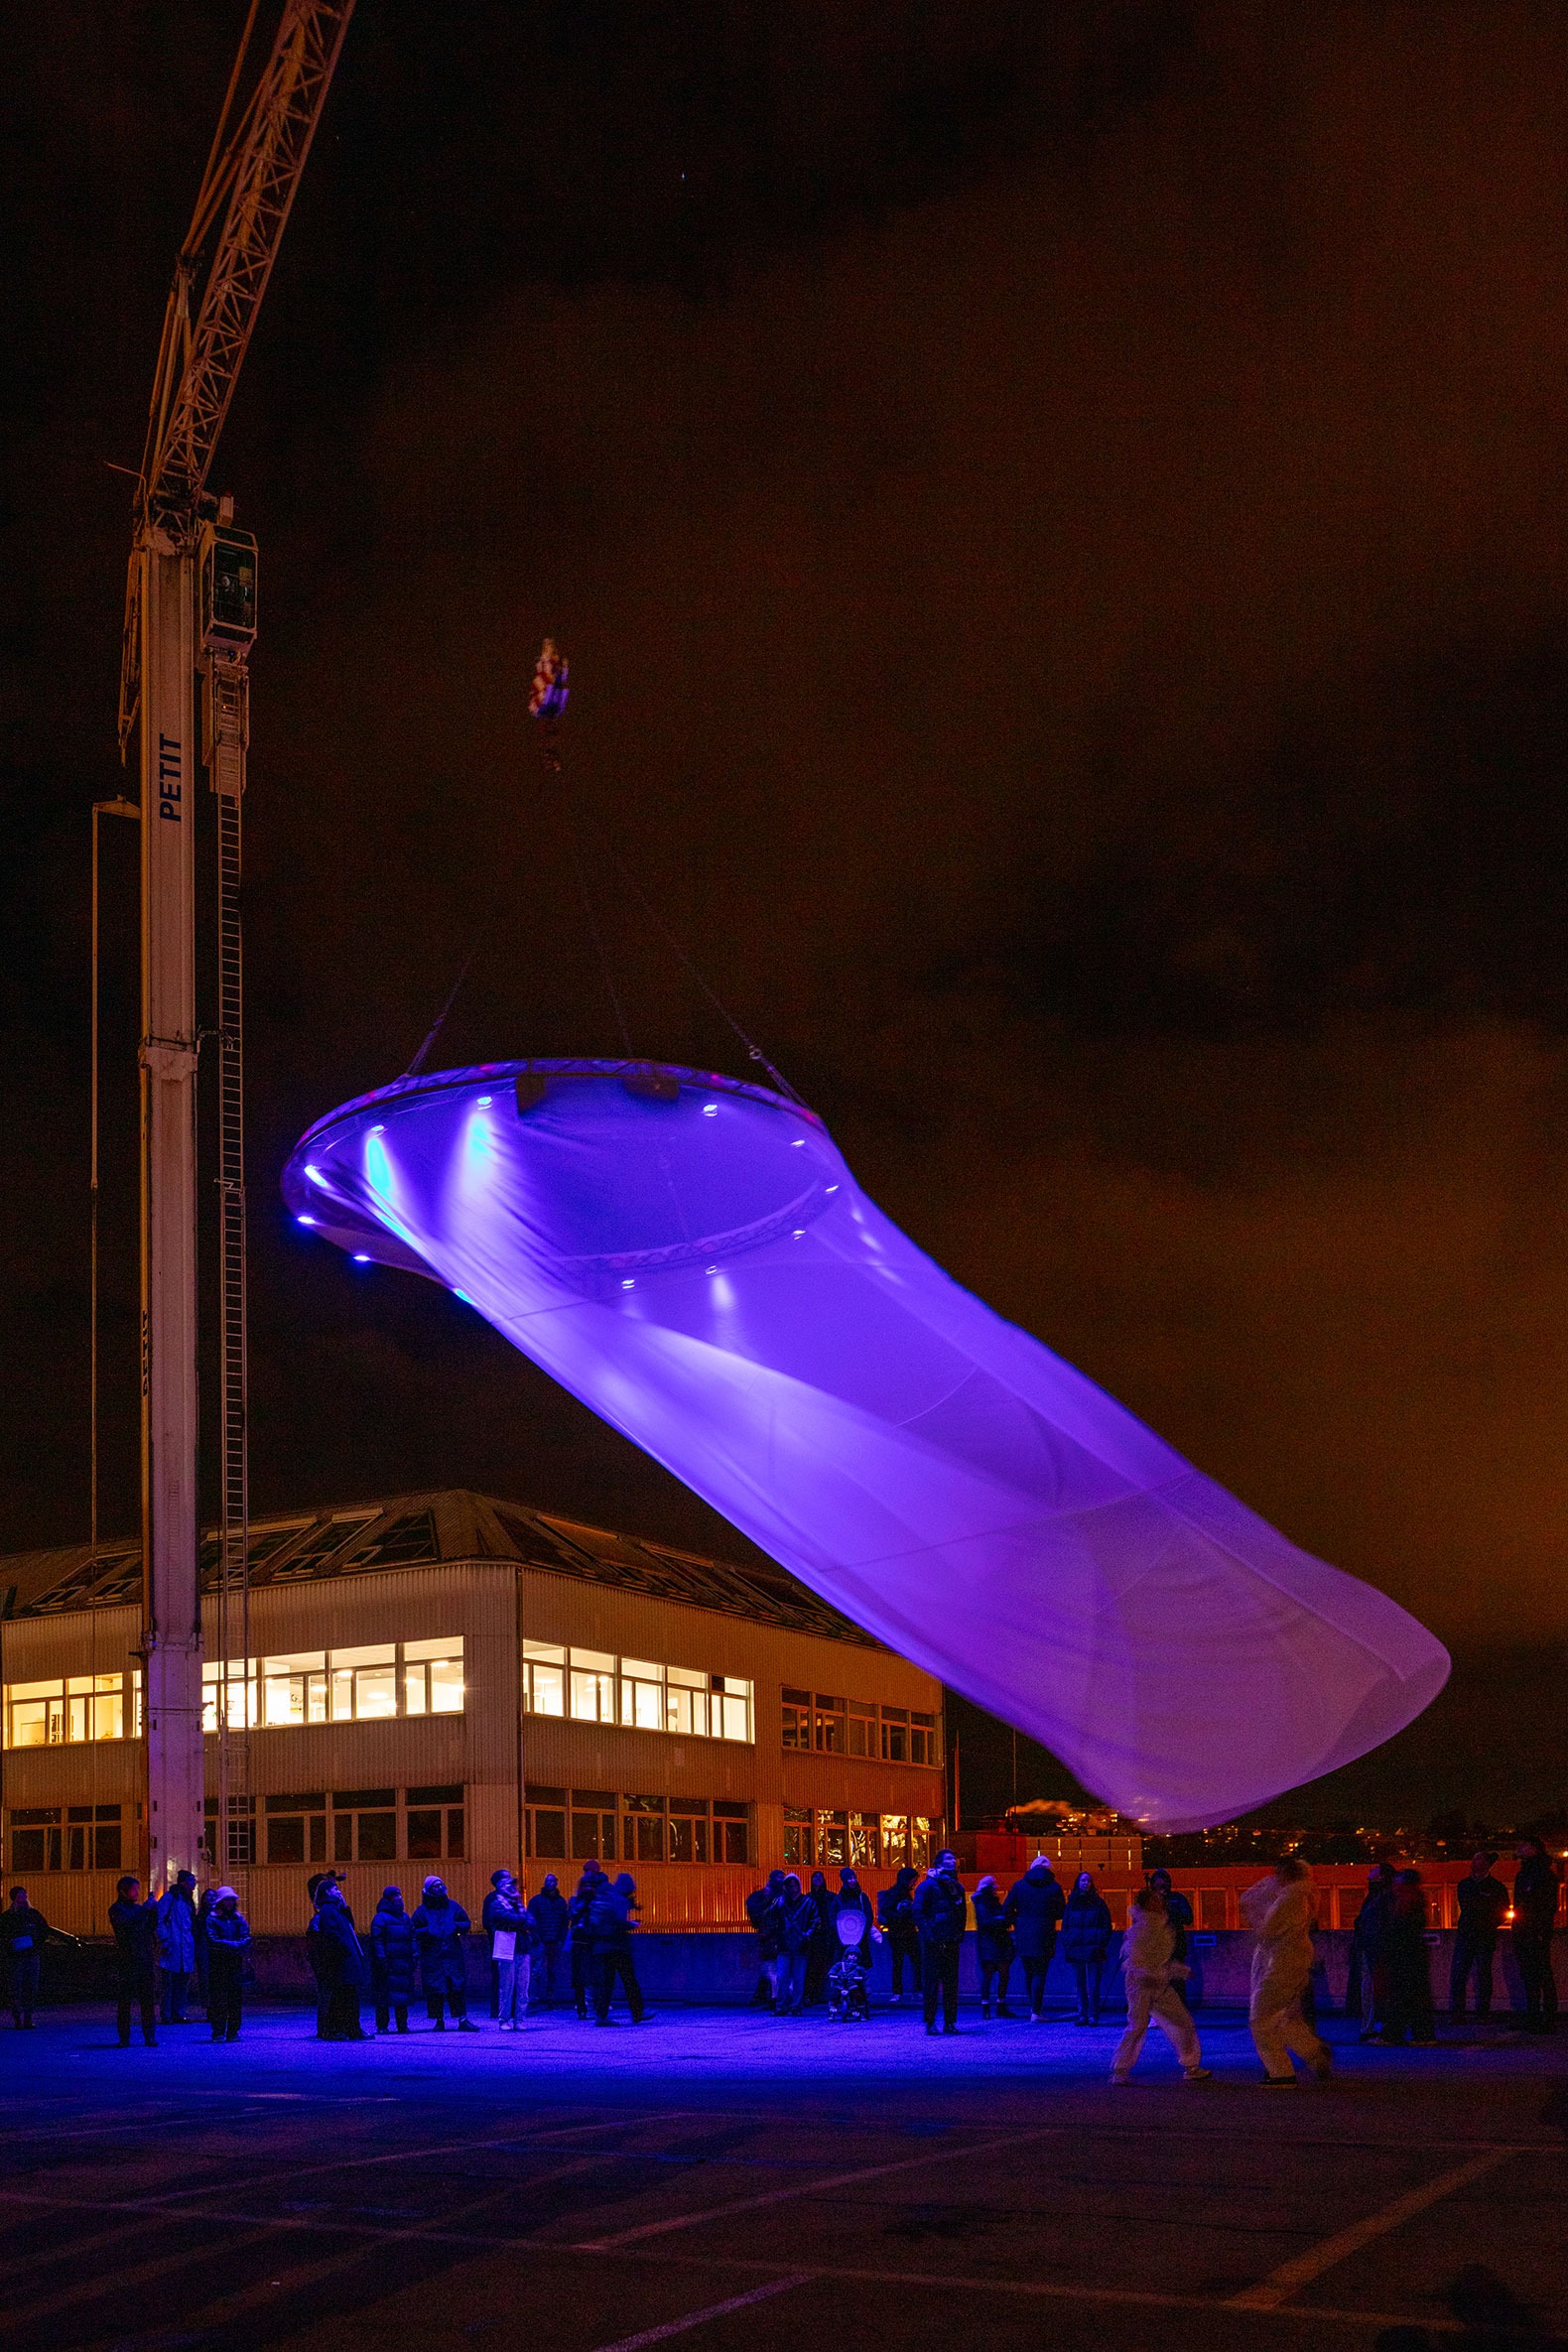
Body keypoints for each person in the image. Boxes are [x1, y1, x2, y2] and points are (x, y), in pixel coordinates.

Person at [1241, 1859, 1332, 2084]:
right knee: (1284, 2017)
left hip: (1281, 1966)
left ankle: (1281, 2072)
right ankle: (1313, 2052)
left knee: (1260, 2019)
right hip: (1294, 1964)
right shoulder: (1304, 1896)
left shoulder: (1290, 1898)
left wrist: (1252, 1912)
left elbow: (1268, 1930)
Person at [1110, 1885, 1208, 2084]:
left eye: (1159, 1899)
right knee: (1137, 2027)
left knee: (1183, 2022)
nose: (1160, 1901)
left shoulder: (1162, 1927)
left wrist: (1182, 1972)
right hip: (1141, 1986)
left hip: (1159, 1984)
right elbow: (1136, 1962)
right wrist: (1148, 1975)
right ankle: (1120, 2070)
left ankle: (1191, 2065)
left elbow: (1161, 1961)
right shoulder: (1140, 1930)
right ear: (1146, 1905)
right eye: (1154, 1899)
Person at [1, 1887, 75, 2026]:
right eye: (19, 1895)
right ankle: (17, 2018)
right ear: (14, 1897)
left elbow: (44, 1930)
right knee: (16, 1987)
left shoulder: (33, 1914)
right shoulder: (8, 1917)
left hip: (32, 1955)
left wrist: (36, 1943)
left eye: (24, 1894)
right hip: (16, 1957)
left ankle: (28, 2018)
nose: (23, 1897)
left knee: (31, 1987)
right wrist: (10, 1943)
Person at [1003, 1856, 1066, 2022]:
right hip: (1045, 1933)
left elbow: (1006, 1909)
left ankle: (1033, 2007)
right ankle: (1036, 2011)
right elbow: (1061, 1912)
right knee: (1040, 1973)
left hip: (1023, 1934)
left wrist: (1019, 1920)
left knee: (1029, 1972)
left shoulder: (1019, 1886)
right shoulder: (1054, 1887)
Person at [913, 1849, 968, 2034]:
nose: (953, 1861)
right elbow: (918, 1912)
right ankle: (931, 2022)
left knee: (951, 1984)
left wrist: (958, 1934)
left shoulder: (956, 1887)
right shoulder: (928, 1886)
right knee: (932, 1984)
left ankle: (949, 2022)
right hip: (934, 1942)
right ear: (939, 1863)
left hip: (950, 1940)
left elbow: (961, 1913)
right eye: (948, 1858)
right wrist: (929, 1935)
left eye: (953, 1858)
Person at [411, 1875, 475, 2029]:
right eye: (435, 1886)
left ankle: (462, 2019)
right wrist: (427, 1931)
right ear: (428, 1889)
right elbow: (413, 1930)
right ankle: (438, 2020)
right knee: (435, 1989)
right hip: (433, 1956)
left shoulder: (453, 1906)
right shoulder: (422, 1911)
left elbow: (466, 1922)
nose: (440, 1888)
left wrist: (456, 1926)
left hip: (452, 1954)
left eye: (441, 1885)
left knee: (456, 1987)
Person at [1379, 1869, 1436, 2045]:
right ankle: (1423, 2034)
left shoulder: (1406, 1902)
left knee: (1401, 1995)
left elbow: (1398, 1928)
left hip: (1404, 1954)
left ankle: (1394, 2035)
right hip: (1412, 1954)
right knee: (1416, 1996)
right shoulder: (1416, 1901)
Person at [1511, 1837, 1561, 2034]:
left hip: (1536, 1930)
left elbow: (1548, 1905)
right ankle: (1534, 2017)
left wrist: (1539, 1928)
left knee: (1541, 1973)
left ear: (1534, 1849)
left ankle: (1547, 2019)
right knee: (1530, 1975)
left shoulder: (1543, 1875)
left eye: (1524, 1845)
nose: (1519, 1848)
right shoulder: (1525, 1873)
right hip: (1524, 1930)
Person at [1450, 1852, 1507, 2020]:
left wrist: (1488, 1924)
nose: (1475, 1862)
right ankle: (1459, 2012)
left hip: (1481, 1935)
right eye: (1474, 1859)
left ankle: (1481, 2012)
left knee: (1481, 1974)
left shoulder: (1494, 1887)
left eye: (1479, 1859)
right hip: (1469, 1935)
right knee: (1461, 1974)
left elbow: (1501, 1912)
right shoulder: (1466, 1885)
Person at [310, 1881, 369, 2038]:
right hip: (342, 1961)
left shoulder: (337, 1910)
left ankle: (350, 2028)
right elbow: (332, 1935)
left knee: (349, 1996)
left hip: (346, 1959)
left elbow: (350, 1929)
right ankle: (339, 2029)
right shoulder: (328, 1910)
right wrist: (343, 1951)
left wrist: (345, 1908)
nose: (339, 1892)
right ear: (328, 1892)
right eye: (335, 1889)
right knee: (342, 1997)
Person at [108, 1874, 160, 2047]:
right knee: (125, 2003)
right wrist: (146, 1910)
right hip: (128, 1962)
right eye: (134, 1889)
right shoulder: (116, 1910)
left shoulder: (139, 1910)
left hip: (145, 1960)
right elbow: (125, 1927)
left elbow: (150, 1927)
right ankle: (124, 2037)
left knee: (148, 2001)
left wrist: (154, 1912)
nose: (137, 1892)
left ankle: (149, 2036)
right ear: (123, 1891)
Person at [588, 1871, 646, 2025]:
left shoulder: (606, 1897)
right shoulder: (619, 1900)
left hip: (603, 1947)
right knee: (629, 1980)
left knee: (607, 1982)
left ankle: (601, 2015)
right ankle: (638, 2012)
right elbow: (618, 1922)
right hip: (618, 1946)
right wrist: (631, 1924)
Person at [1348, 1863, 1394, 2033]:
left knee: (1372, 1987)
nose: (1370, 1871)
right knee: (1372, 1987)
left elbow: (1370, 1921)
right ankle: (1372, 2025)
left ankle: (1371, 2026)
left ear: (1381, 1876)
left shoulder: (1379, 1895)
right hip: (1372, 1945)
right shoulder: (1380, 1894)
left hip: (1373, 1947)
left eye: (1374, 1869)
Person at [1062, 1871, 1113, 2025]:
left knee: (1093, 1985)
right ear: (1078, 1883)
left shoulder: (1099, 1903)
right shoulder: (1072, 1904)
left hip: (1092, 1949)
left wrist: (1100, 1942)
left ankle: (1092, 2014)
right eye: (1083, 1880)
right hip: (1078, 1948)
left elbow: (1106, 1926)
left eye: (1088, 1881)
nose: (1086, 1883)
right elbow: (1066, 1926)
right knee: (1081, 1984)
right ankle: (1083, 2014)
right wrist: (1068, 1942)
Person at [483, 1869, 533, 2028]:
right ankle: (503, 2019)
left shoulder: (519, 1904)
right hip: (506, 1948)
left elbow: (531, 1921)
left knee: (523, 1987)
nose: (512, 1887)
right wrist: (521, 1920)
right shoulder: (496, 1903)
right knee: (506, 1986)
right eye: (507, 1884)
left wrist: (521, 1920)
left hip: (522, 1948)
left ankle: (519, 2019)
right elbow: (505, 1918)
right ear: (500, 1886)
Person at [204, 1888, 251, 2042]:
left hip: (234, 1964)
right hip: (219, 1964)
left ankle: (233, 2031)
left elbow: (246, 1935)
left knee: (235, 1999)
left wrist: (241, 1944)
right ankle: (218, 2031)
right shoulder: (212, 1919)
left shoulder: (238, 1918)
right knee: (219, 1999)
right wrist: (235, 1945)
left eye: (231, 1900)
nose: (230, 1903)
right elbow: (212, 1940)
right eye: (227, 1900)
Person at [369, 1885, 417, 2032]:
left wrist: (415, 1954)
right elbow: (377, 1940)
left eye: (399, 1895)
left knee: (401, 1996)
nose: (399, 1898)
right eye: (395, 1896)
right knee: (384, 1996)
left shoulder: (404, 1917)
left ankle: (402, 2024)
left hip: (402, 1962)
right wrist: (381, 1958)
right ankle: (382, 2025)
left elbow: (412, 1937)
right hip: (389, 1962)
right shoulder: (381, 1918)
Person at [155, 1868, 197, 2025]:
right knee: (168, 1983)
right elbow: (160, 1920)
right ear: (183, 1882)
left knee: (182, 1983)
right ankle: (167, 2014)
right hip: (172, 1946)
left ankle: (178, 2013)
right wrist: (164, 1940)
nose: (193, 1884)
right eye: (191, 1881)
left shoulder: (187, 1901)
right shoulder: (170, 1898)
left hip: (184, 1947)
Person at [1148, 1869, 1196, 2007]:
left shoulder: (1177, 1899)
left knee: (1176, 1981)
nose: (1161, 1888)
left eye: (1164, 1884)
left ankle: (1178, 2011)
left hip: (1175, 1946)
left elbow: (1188, 1918)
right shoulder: (1150, 1901)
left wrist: (1170, 1910)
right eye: (1158, 1885)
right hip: (1156, 1946)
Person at [771, 1873, 818, 2015]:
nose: (793, 1888)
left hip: (800, 1945)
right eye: (789, 1885)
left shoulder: (808, 1902)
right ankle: (781, 2006)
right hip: (784, 1945)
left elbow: (815, 1921)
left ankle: (795, 2006)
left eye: (795, 1885)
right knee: (782, 1977)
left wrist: (806, 1935)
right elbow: (770, 1918)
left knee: (798, 1978)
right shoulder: (780, 1902)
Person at [569, 1866, 608, 2020]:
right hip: (582, 1942)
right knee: (581, 1976)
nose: (588, 1888)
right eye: (586, 1885)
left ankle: (590, 2006)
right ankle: (582, 2006)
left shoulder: (594, 1902)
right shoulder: (579, 1902)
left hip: (590, 1941)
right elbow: (572, 1916)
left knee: (593, 1975)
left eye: (591, 1886)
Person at [973, 1876, 1015, 2018]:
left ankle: (986, 2005)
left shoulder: (981, 1902)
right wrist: (1003, 1920)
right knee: (1001, 1974)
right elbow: (990, 1922)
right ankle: (999, 2004)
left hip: (987, 1944)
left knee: (989, 1975)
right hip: (995, 1943)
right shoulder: (988, 1902)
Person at [527, 1871, 569, 2009]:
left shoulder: (559, 1902)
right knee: (536, 1971)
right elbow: (531, 1920)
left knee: (551, 1971)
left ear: (556, 1883)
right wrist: (536, 1937)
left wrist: (561, 1938)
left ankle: (549, 1999)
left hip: (552, 1941)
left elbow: (564, 1922)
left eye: (552, 1881)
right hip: (541, 1941)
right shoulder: (538, 1901)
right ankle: (534, 1999)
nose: (550, 1883)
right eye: (547, 1881)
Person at [877, 1866, 919, 2005]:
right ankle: (916, 1990)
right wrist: (900, 1917)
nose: (914, 1883)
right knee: (914, 1961)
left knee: (898, 1962)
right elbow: (886, 1910)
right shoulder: (900, 1893)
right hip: (903, 1932)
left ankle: (898, 1991)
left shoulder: (895, 1892)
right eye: (913, 1880)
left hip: (897, 1932)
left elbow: (885, 1910)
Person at [745, 1870, 786, 2010]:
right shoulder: (769, 1897)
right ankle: (769, 1996)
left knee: (772, 1969)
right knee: (771, 1969)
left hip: (774, 1936)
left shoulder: (778, 1896)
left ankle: (767, 1996)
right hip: (770, 1937)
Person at [827, 1905, 872, 2022]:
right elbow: (833, 1969)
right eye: (851, 1955)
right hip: (840, 1984)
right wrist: (832, 1974)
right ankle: (832, 2009)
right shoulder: (840, 1965)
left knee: (858, 1995)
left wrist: (864, 1984)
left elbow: (865, 1977)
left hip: (852, 1985)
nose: (852, 1957)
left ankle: (860, 2010)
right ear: (846, 1955)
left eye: (855, 1955)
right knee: (834, 1995)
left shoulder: (859, 1968)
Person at [803, 1870, 834, 2008]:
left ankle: (816, 1994)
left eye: (820, 1877)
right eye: (814, 1877)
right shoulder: (808, 1898)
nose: (817, 1879)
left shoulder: (830, 1897)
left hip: (825, 1935)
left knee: (821, 1965)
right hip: (813, 1936)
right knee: (811, 1966)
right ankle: (810, 1994)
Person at [194, 1884, 216, 2022]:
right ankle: (209, 2008)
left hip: (215, 1950)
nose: (212, 1898)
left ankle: (214, 2008)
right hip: (204, 1949)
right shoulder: (201, 1916)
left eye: (214, 1896)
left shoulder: (219, 1915)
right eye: (209, 1896)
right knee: (206, 1979)